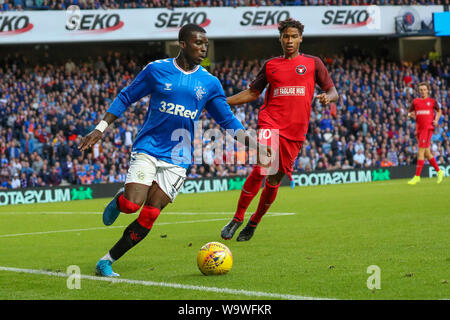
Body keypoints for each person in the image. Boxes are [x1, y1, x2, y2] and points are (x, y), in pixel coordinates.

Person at [79, 24, 268, 277]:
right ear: (182, 43)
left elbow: (228, 122)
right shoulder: (157, 70)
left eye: (205, 43)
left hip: (179, 157)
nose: (203, 48)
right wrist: (101, 128)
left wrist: (256, 145)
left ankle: (107, 261)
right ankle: (120, 199)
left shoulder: (209, 83)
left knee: (149, 217)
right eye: (198, 43)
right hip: (149, 147)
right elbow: (126, 97)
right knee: (132, 206)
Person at [221, 18, 338, 242]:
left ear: (301, 38)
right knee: (262, 167)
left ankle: (254, 222)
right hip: (270, 121)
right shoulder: (271, 65)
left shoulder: (314, 63)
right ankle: (237, 218)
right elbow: (253, 93)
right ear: (280, 39)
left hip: (295, 132)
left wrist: (327, 97)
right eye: (286, 36)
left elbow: (334, 91)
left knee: (274, 180)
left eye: (294, 36)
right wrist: (223, 102)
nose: (290, 40)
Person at [407, 82, 444, 185]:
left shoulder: (432, 102)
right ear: (419, 91)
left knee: (420, 152)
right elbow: (409, 113)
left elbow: (439, 111)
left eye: (424, 89)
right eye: (421, 89)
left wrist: (436, 120)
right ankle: (440, 172)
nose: (423, 91)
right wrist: (411, 116)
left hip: (427, 129)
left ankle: (417, 176)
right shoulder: (415, 102)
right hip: (419, 129)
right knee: (427, 153)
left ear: (428, 90)